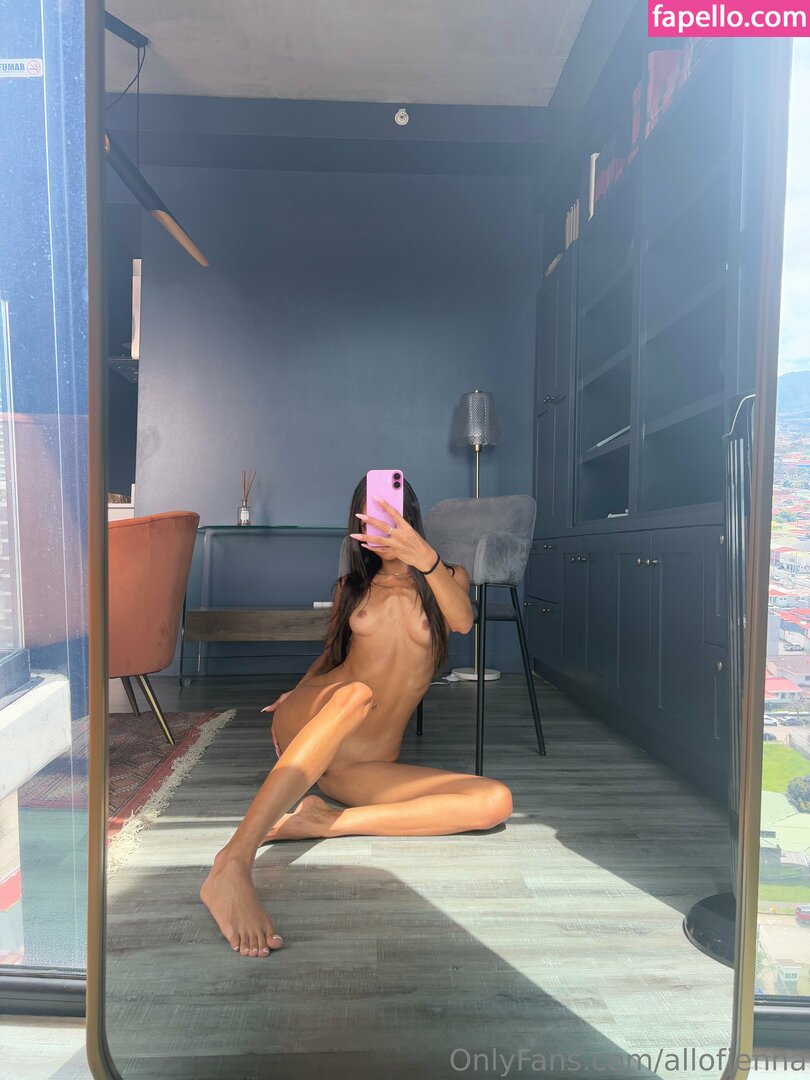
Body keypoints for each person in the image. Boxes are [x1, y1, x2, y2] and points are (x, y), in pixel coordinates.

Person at [201, 476, 513, 957]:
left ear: (408, 514)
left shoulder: (446, 577)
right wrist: (298, 693)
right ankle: (233, 861)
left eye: (390, 512)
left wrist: (423, 557)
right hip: (320, 715)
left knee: (494, 802)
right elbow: (331, 656)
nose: (381, 525)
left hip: (360, 763)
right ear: (358, 526)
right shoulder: (354, 587)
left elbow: (463, 621)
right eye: (370, 516)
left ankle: (325, 820)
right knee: (357, 693)